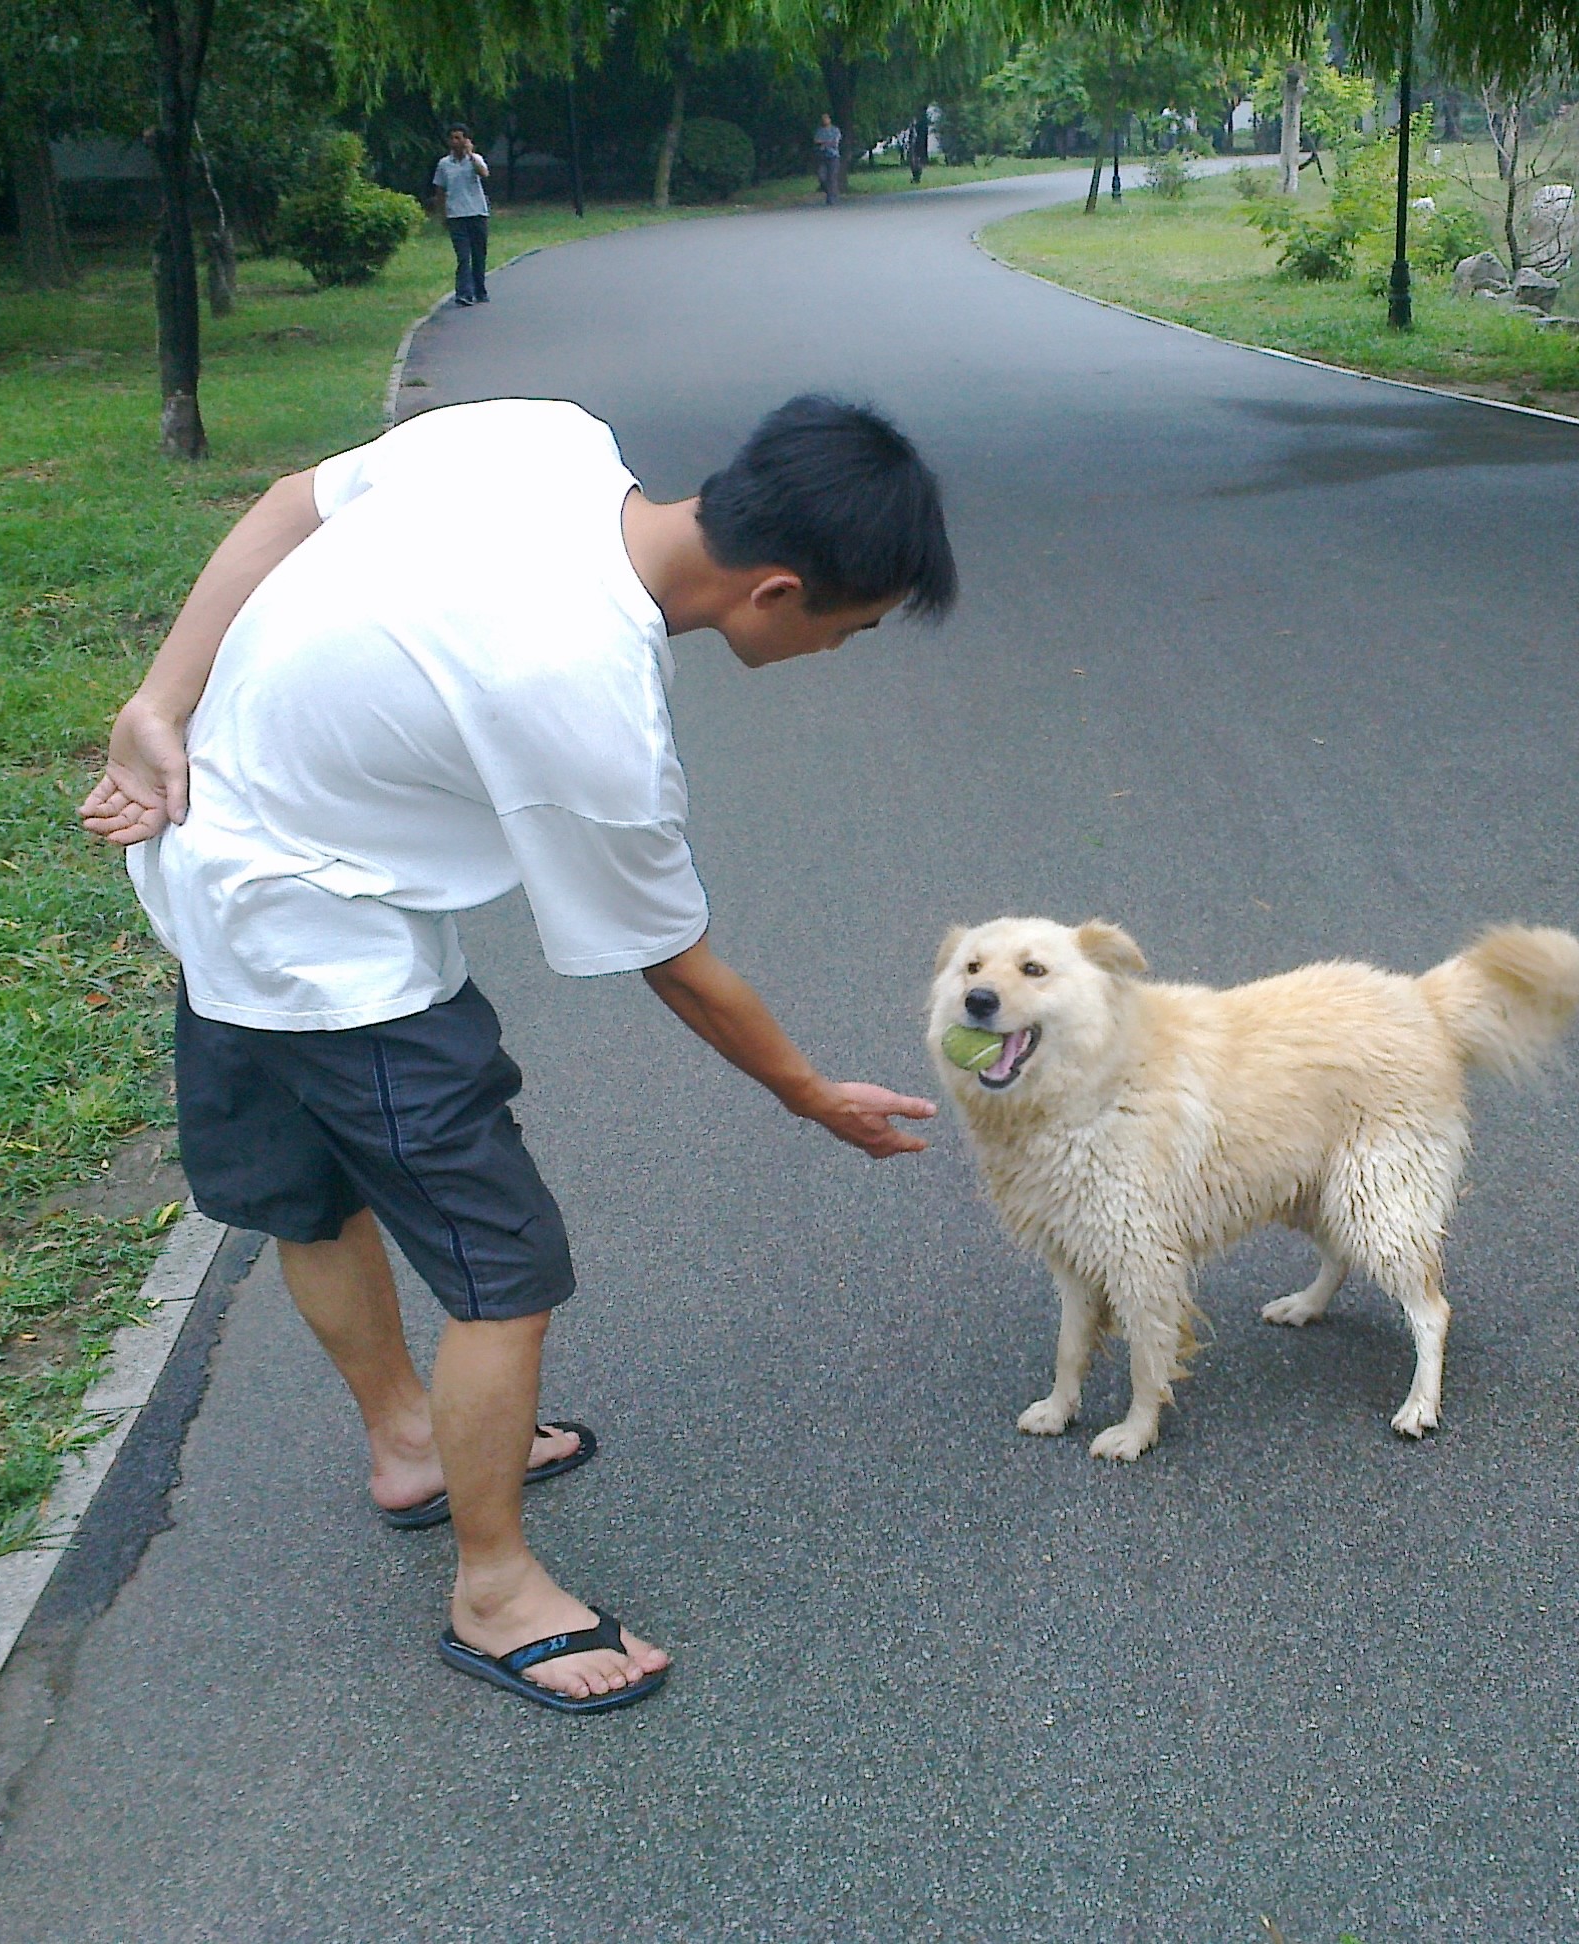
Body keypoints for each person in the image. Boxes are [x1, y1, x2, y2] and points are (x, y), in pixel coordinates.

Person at [79, 396, 954, 1714]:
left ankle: (408, 1446)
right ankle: (495, 1594)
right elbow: (679, 964)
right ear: (778, 589)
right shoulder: (586, 690)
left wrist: (157, 701)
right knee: (504, 1271)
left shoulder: (541, 438)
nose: (839, 648)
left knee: (312, 1192)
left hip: (212, 859)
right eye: (852, 625)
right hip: (323, 936)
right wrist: (812, 1095)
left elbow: (285, 502)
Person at [432, 124, 490, 304]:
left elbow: (484, 173)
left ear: (466, 140)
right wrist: (442, 215)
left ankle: (480, 290)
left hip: (477, 213)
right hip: (456, 216)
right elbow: (440, 190)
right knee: (463, 257)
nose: (454, 142)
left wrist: (471, 155)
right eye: (452, 138)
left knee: (479, 255)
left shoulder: (475, 160)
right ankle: (464, 293)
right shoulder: (444, 164)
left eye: (458, 138)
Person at [813, 113, 842, 203]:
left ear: (830, 119)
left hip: (833, 156)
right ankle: (830, 192)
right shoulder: (820, 131)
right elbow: (816, 140)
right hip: (822, 156)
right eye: (823, 119)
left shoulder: (835, 130)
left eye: (826, 118)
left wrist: (823, 142)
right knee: (822, 176)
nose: (824, 120)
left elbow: (835, 142)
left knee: (832, 176)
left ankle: (831, 197)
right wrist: (826, 142)